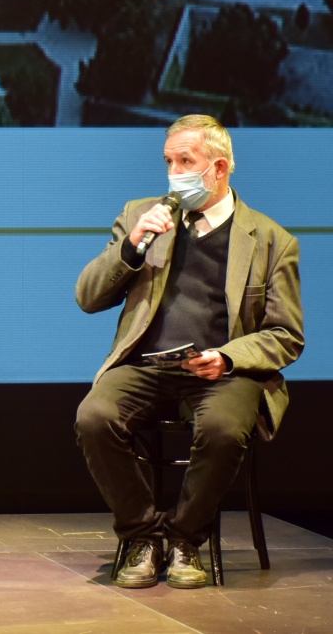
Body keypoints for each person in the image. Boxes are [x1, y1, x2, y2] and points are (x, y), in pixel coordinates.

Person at [75, 114, 303, 590]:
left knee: (222, 429)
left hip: (224, 373)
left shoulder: (272, 240)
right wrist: (134, 243)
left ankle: (185, 539)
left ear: (218, 169)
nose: (174, 173)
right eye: (169, 162)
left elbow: (286, 334)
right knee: (94, 417)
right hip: (148, 365)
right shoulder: (143, 213)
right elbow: (88, 296)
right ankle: (142, 535)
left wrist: (228, 356)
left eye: (186, 161)